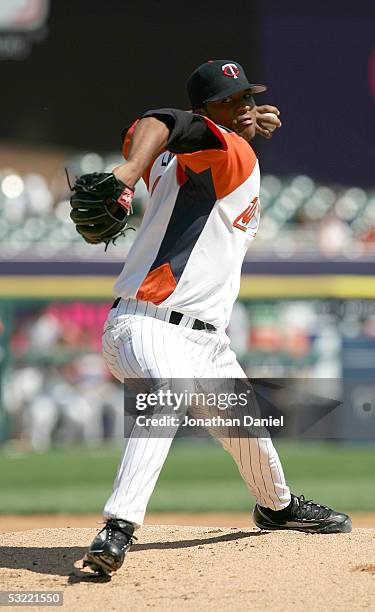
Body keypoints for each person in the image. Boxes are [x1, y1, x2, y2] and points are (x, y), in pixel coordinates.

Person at [82, 59, 352, 575]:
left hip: (203, 339)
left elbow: (155, 131)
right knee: (167, 391)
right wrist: (126, 175)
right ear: (207, 112)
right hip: (150, 324)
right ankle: (118, 526)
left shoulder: (196, 152)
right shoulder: (223, 147)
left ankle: (276, 507)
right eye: (233, 100)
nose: (247, 106)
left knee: (247, 431)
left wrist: (236, 123)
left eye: (249, 96)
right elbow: (161, 118)